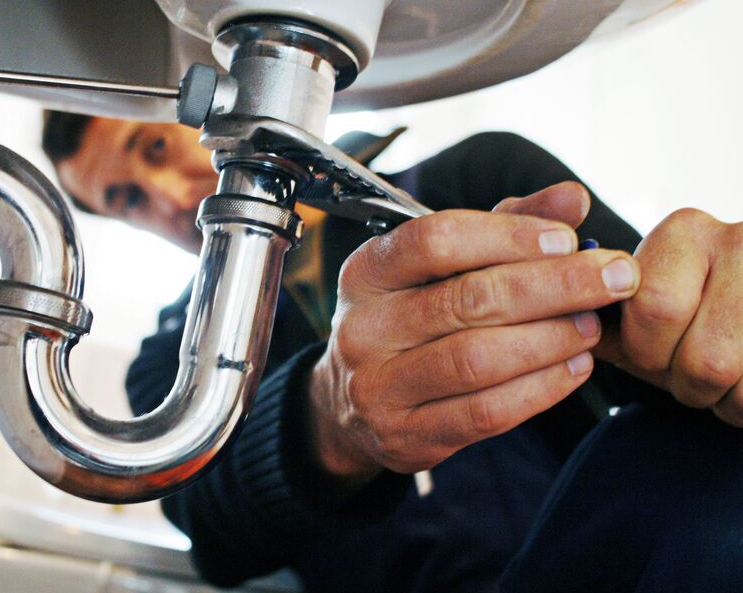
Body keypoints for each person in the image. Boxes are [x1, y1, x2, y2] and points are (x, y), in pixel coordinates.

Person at [43, 111, 743, 592]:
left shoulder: (476, 184)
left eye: (155, 149)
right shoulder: (172, 360)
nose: (166, 198)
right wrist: (328, 416)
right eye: (127, 199)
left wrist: (706, 309)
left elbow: (684, 365)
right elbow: (217, 531)